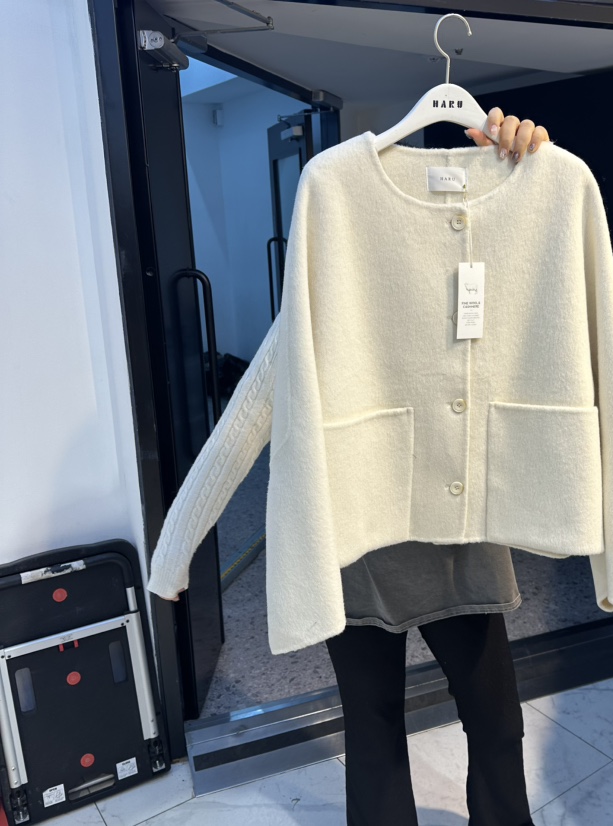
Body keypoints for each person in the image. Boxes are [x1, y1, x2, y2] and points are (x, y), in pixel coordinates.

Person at [156, 108, 551, 826]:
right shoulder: (333, 287)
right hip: (356, 543)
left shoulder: (487, 266)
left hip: (462, 539)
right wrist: (173, 552)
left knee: (497, 720)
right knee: (373, 733)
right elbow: (245, 419)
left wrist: (534, 176)